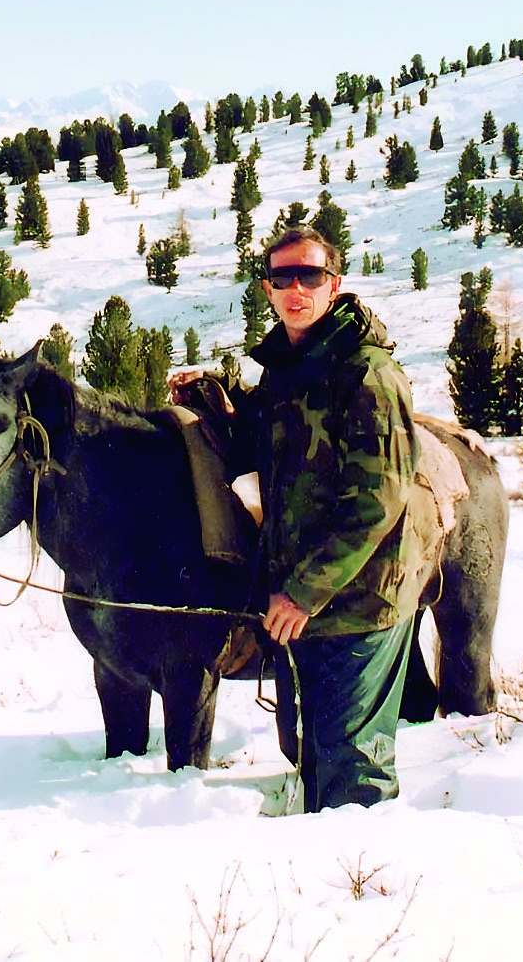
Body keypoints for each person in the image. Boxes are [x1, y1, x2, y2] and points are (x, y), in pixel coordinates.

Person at [171, 226, 425, 812]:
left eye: (309, 275)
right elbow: (256, 447)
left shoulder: (367, 375)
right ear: (267, 287)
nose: (296, 288)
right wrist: (211, 398)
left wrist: (304, 593)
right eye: (283, 277)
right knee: (310, 755)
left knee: (353, 772)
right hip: (300, 608)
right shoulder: (285, 374)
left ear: (333, 284)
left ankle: (370, 888)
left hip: (358, 602)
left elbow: (377, 502)